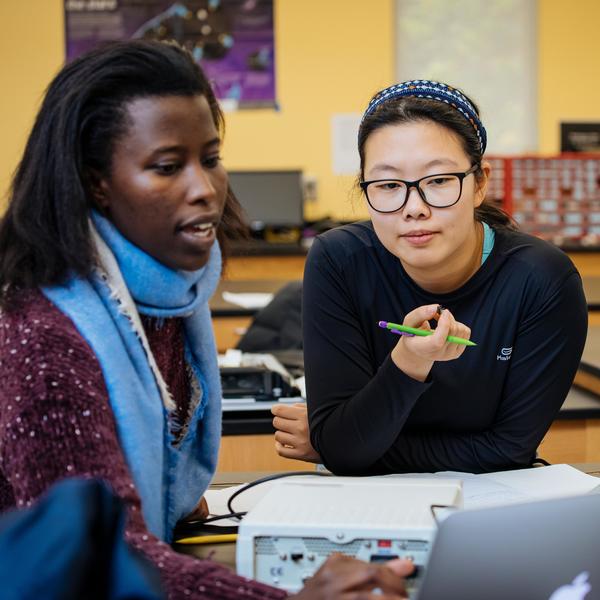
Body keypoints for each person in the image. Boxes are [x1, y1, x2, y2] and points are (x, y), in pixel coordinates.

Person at [0, 41, 414, 599]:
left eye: (211, 158)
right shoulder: (42, 337)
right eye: (168, 167)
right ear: (95, 180)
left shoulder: (160, 296)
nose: (205, 189)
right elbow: (102, 559)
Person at [272, 80, 588, 475]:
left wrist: (336, 443)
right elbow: (344, 449)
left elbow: (508, 450)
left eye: (438, 181)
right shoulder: (339, 261)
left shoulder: (542, 280)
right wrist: (407, 361)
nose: (414, 208)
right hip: (365, 508)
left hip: (491, 508)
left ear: (480, 183)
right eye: (388, 185)